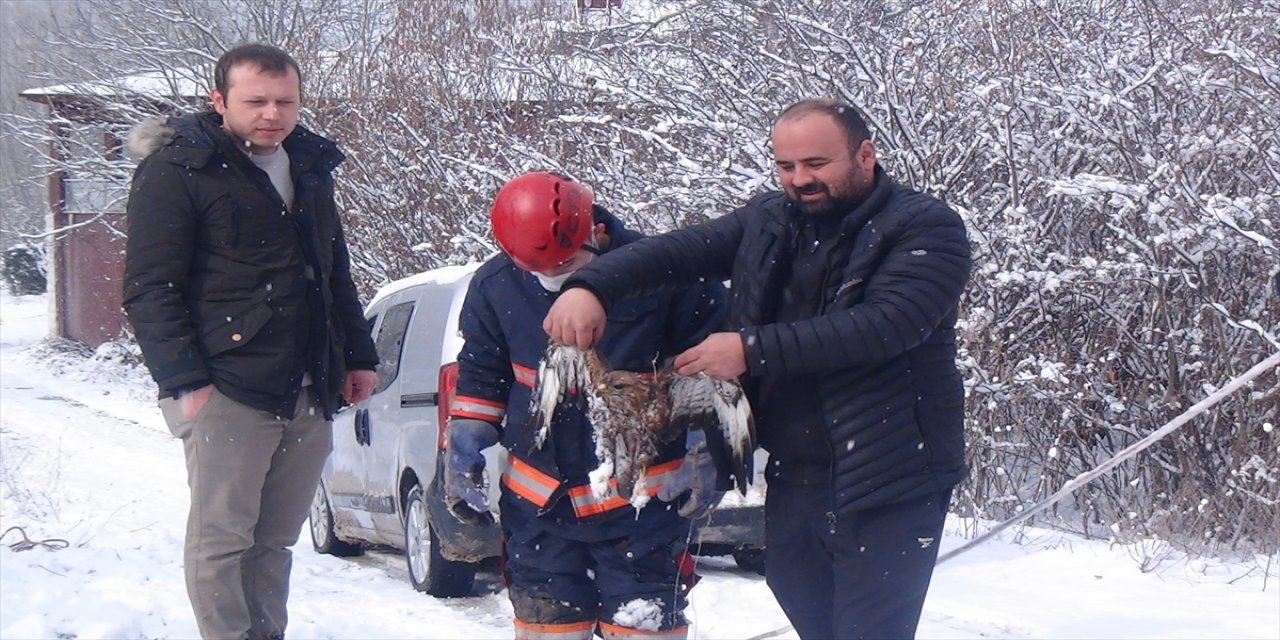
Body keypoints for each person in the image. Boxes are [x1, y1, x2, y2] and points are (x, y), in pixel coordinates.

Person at [544, 99, 971, 639]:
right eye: (786, 166)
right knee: (802, 601)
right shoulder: (771, 221)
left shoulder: (925, 227)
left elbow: (886, 325)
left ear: (865, 154)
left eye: (817, 164)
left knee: (868, 629)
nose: (800, 180)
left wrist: (749, 349)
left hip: (893, 472)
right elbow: (678, 252)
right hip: (798, 470)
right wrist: (591, 286)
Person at [122, 43, 379, 640]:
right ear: (219, 101)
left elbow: (333, 269)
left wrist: (359, 356)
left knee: (275, 542)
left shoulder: (309, 165)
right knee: (221, 540)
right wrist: (185, 383)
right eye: (256, 101)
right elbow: (149, 290)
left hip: (309, 384)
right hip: (228, 385)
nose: (272, 113)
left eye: (285, 101)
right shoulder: (177, 171)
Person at [443, 172, 727, 640]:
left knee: (643, 628)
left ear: (595, 230)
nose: (552, 279)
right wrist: (465, 438)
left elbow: (716, 370)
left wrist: (708, 445)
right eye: (539, 271)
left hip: (644, 509)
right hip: (540, 512)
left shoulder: (667, 275)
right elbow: (481, 375)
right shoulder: (496, 285)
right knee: (545, 629)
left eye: (565, 264)